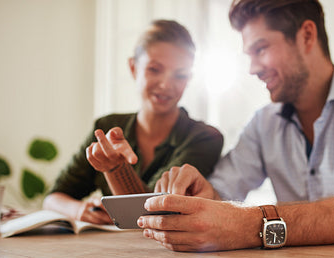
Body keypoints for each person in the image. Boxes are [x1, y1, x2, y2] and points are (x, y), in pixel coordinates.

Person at [137, 0, 334, 252]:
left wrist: (252, 224)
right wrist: (202, 195)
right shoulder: (263, 124)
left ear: (306, 36)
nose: (252, 68)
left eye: (261, 49)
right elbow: (221, 191)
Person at [43, 20, 223, 225]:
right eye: (154, 69)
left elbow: (153, 211)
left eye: (180, 75)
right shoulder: (106, 126)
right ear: (133, 67)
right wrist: (80, 210)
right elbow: (53, 197)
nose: (166, 85)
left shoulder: (205, 138)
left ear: (189, 78)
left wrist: (116, 170)